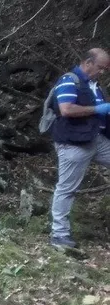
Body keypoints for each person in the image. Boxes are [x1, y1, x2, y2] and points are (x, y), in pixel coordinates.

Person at [50, 48, 110, 248]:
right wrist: (97, 109)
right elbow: (66, 109)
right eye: (101, 68)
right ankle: (59, 234)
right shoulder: (69, 80)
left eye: (105, 69)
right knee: (67, 188)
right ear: (87, 62)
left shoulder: (93, 85)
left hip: (97, 140)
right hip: (74, 144)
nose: (103, 72)